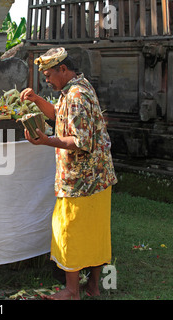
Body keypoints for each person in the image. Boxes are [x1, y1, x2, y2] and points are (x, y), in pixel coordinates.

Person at [20, 47, 117, 300]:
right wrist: (36, 99)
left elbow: (80, 140)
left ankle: (72, 291)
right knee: (96, 234)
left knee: (67, 231)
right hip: (99, 178)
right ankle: (93, 287)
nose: (47, 80)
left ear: (63, 69)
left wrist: (46, 141)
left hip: (80, 181)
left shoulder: (76, 95)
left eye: (49, 75)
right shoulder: (77, 87)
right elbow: (58, 115)